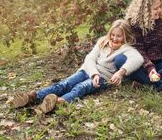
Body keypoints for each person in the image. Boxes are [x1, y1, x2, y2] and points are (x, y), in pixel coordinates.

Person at [11, 19, 144, 113]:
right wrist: (94, 73)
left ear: (126, 36)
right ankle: (33, 97)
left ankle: (58, 102)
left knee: (81, 88)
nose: (115, 39)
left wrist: (121, 72)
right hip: (89, 71)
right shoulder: (103, 41)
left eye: (119, 36)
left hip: (103, 78)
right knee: (65, 84)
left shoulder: (126, 49)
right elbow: (90, 58)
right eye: (113, 35)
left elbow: (138, 58)